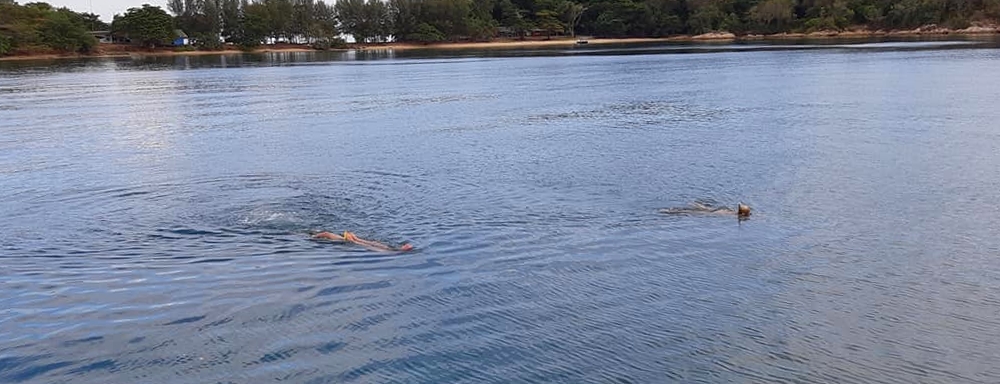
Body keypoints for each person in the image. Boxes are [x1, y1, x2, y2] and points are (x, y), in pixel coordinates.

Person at [312, 231, 414, 252]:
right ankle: (314, 235)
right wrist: (357, 239)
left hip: (350, 243)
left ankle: (313, 236)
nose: (406, 245)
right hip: (353, 242)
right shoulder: (391, 249)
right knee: (379, 245)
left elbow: (369, 247)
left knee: (326, 234)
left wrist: (353, 241)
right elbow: (373, 244)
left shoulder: (389, 252)